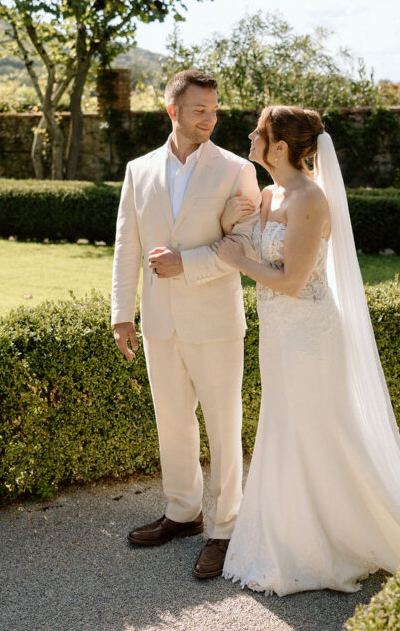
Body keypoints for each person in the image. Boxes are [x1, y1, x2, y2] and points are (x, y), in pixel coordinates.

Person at [213, 105, 400, 596]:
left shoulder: (311, 200)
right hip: (277, 335)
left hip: (309, 335)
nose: (249, 135)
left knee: (317, 429)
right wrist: (234, 227)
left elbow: (291, 281)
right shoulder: (269, 194)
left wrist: (240, 262)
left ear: (281, 147)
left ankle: (332, 539)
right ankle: (283, 534)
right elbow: (239, 238)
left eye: (258, 132)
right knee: (284, 426)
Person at [111, 69, 261, 580]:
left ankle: (225, 528)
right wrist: (121, 314)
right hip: (157, 322)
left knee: (223, 427)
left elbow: (245, 247)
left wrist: (187, 263)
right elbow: (127, 244)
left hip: (216, 321)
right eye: (201, 110)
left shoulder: (238, 170)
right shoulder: (138, 170)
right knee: (172, 422)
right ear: (172, 111)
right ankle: (183, 512)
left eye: (215, 110)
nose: (211, 119)